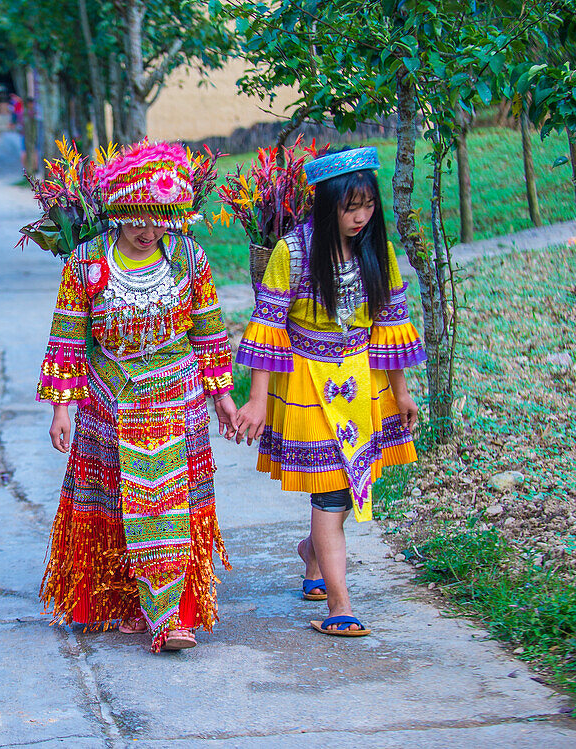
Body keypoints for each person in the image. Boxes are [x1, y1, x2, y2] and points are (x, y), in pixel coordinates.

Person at [37, 140, 238, 652]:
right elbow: (67, 336)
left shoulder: (190, 258)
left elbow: (208, 329)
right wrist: (64, 407)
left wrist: (224, 399)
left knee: (168, 503)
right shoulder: (85, 264)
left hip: (177, 398)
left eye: (159, 218)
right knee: (113, 503)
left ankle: (170, 617)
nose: (148, 230)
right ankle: (123, 600)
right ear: (117, 213)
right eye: (136, 218)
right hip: (109, 403)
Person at [231, 146, 426, 637]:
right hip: (306, 384)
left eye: (368, 206)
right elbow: (268, 326)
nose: (361, 217)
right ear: (327, 204)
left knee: (346, 484)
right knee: (334, 494)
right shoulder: (291, 253)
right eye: (349, 208)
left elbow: (390, 324)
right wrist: (257, 399)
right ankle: (341, 606)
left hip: (363, 384)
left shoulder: (376, 251)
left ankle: (312, 554)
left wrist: (401, 392)